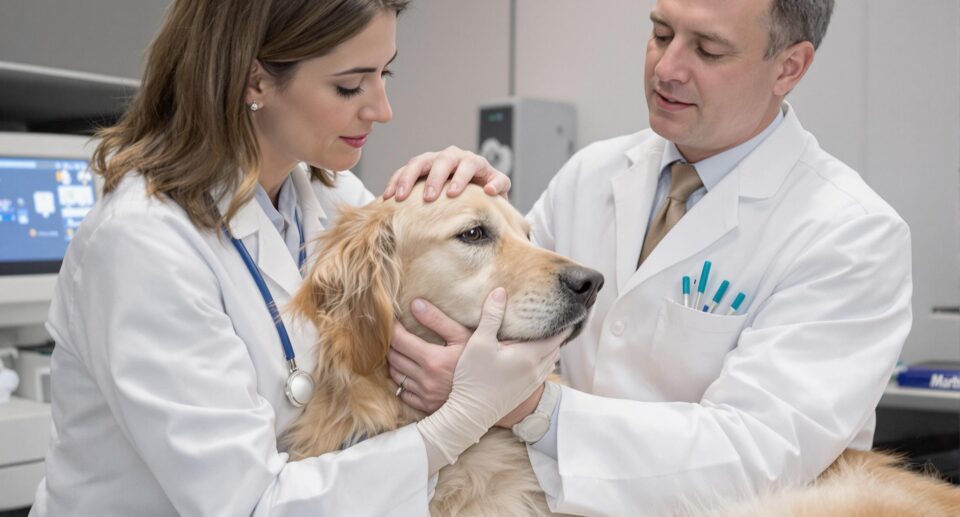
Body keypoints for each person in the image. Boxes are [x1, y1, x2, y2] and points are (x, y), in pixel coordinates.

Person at [30, 1, 564, 515]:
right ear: (255, 80)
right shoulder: (141, 245)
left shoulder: (331, 197)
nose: (381, 109)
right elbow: (250, 504)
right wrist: (461, 420)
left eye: (386, 75)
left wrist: (459, 198)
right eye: (349, 85)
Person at [385, 0, 913, 514]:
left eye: (707, 50)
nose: (667, 68)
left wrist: (528, 408)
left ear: (789, 67)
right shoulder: (591, 174)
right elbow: (494, 309)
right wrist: (440, 203)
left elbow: (757, 455)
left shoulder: (851, 233)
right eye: (661, 33)